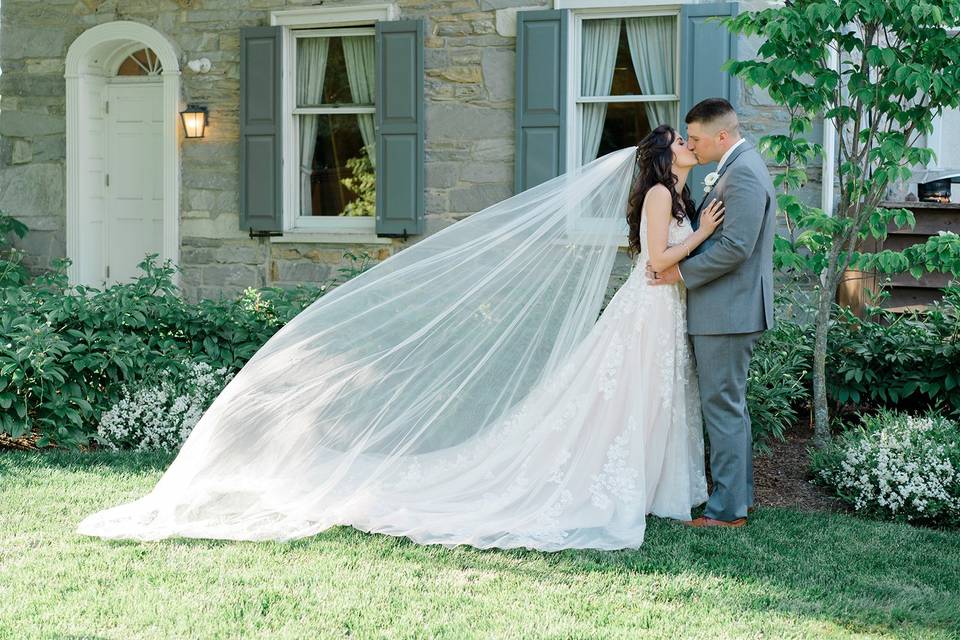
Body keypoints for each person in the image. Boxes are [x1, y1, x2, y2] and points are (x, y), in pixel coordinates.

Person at [76, 125, 726, 552]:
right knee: (617, 400)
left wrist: (701, 220)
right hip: (647, 307)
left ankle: (652, 486)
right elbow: (655, 263)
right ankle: (617, 487)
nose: (690, 143)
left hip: (660, 315)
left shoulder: (678, 190)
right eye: (680, 141)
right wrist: (702, 234)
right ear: (660, 155)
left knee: (643, 401)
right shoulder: (658, 200)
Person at [647, 98, 777, 528]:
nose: (694, 146)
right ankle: (739, 499)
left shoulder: (742, 175)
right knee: (730, 408)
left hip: (728, 311)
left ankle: (726, 512)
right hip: (728, 310)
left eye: (698, 139)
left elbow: (736, 248)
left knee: (722, 408)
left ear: (722, 135)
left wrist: (680, 274)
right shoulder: (736, 167)